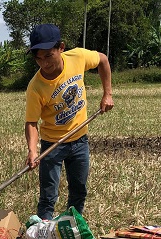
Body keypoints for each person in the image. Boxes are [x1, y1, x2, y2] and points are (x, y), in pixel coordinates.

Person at [25, 24, 114, 219]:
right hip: (52, 145)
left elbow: (103, 60)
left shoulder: (78, 58)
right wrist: (32, 150)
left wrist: (107, 94)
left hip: (80, 140)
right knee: (48, 197)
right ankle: (43, 238)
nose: (44, 63)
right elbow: (31, 123)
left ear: (61, 48)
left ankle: (72, 228)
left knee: (79, 190)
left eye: (48, 56)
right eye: (38, 58)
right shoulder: (36, 87)